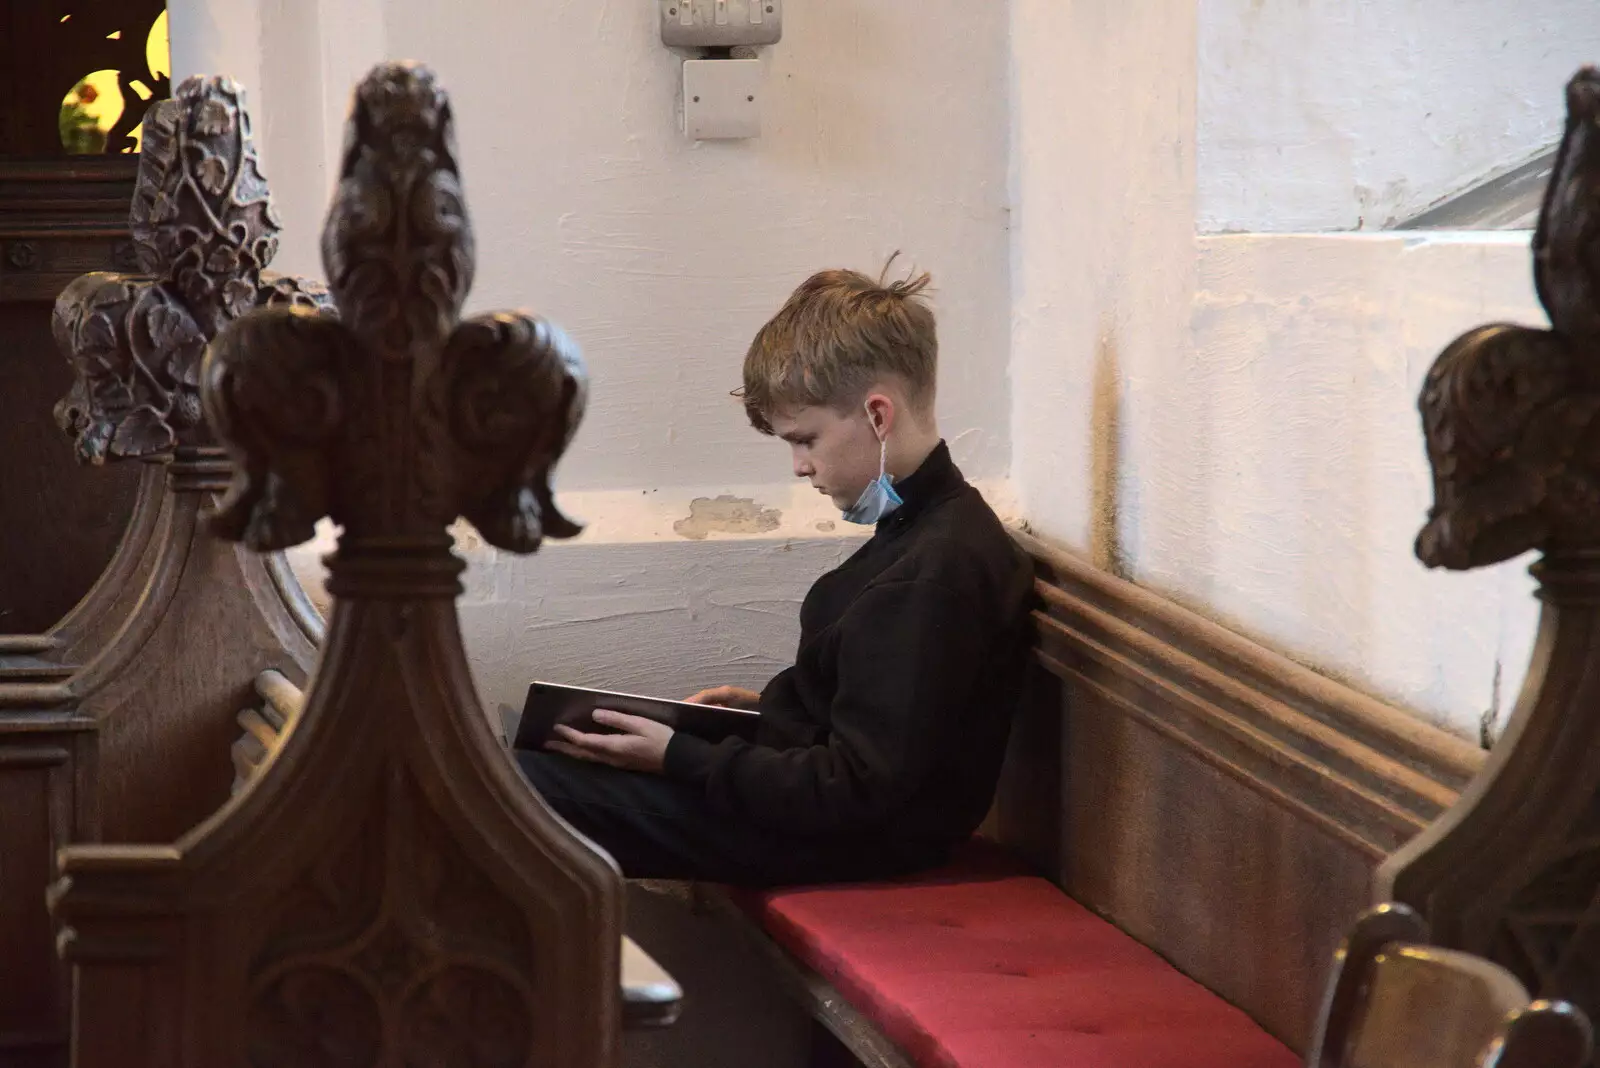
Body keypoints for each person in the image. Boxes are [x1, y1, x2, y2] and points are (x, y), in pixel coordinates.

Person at [515, 258, 1036, 886]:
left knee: (511, 793)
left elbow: (858, 789)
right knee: (519, 778)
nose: (798, 466)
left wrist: (680, 756)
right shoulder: (922, 529)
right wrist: (766, 718)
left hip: (851, 841)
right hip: (821, 816)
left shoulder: (933, 570)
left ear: (877, 415)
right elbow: (883, 718)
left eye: (806, 439)